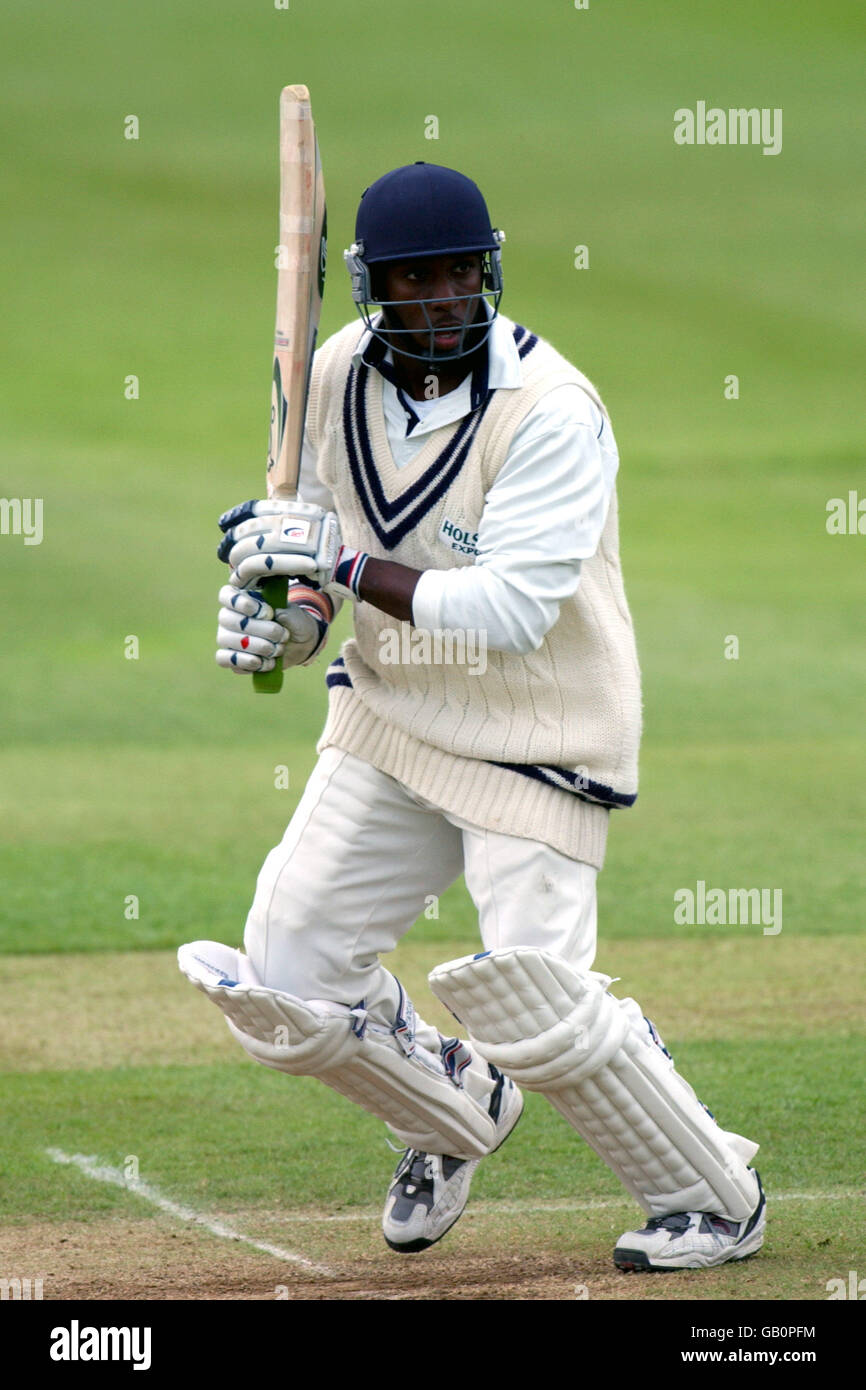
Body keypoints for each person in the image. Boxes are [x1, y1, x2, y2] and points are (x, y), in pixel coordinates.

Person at [179, 162, 765, 1271]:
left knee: (536, 1007)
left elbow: (500, 612)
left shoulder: (552, 412)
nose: (443, 298)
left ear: (488, 272)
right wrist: (287, 621)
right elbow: (309, 576)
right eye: (415, 280)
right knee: (286, 969)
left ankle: (712, 1193)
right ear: (373, 288)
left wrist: (342, 565)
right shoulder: (330, 375)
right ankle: (450, 1108)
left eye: (461, 274)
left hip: (537, 738)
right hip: (394, 718)